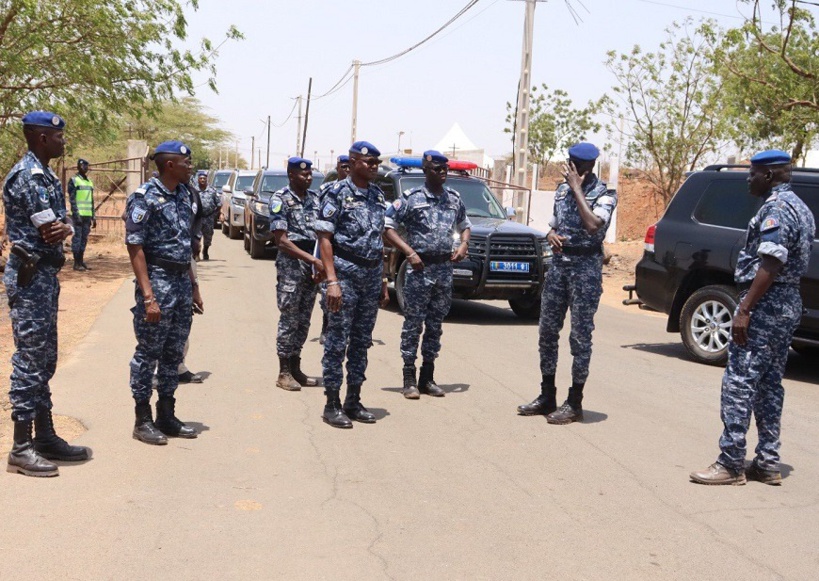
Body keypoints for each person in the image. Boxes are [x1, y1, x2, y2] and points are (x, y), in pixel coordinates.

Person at [690, 150, 815, 486]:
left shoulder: (776, 208)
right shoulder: (801, 208)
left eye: (753, 173)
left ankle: (731, 463)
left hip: (765, 304)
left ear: (771, 175)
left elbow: (771, 262)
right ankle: (768, 462)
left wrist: (744, 309)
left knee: (739, 382)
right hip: (787, 303)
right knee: (770, 384)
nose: (749, 179)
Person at [3, 111, 89, 477]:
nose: (63, 142)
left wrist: (65, 227)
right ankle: (21, 447)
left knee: (45, 359)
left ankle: (45, 436)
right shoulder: (27, 176)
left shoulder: (47, 174)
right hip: (29, 275)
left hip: (45, 276)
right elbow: (50, 226)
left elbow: (63, 224)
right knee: (30, 361)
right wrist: (63, 227)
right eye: (58, 137)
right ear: (40, 137)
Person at [517, 142, 617, 424]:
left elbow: (594, 225)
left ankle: (575, 402)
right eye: (569, 164)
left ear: (589, 167)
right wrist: (551, 234)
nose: (570, 170)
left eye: (577, 167)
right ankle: (547, 394)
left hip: (585, 270)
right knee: (547, 331)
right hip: (559, 267)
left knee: (580, 337)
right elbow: (554, 224)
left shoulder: (605, 193)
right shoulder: (561, 191)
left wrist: (577, 188)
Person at [124, 140, 203, 445]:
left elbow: (186, 246)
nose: (190, 167)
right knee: (148, 353)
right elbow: (135, 247)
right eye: (186, 162)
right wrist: (148, 296)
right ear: (169, 165)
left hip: (181, 281)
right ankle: (142, 420)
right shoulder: (144, 198)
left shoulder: (185, 194)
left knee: (173, 352)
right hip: (156, 281)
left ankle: (166, 415)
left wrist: (194, 286)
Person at [384, 150, 471, 399]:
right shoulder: (411, 198)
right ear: (425, 170)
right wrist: (408, 252)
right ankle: (409, 377)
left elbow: (465, 226)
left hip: (444, 270)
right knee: (413, 324)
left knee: (435, 325)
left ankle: (428, 377)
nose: (442, 172)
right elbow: (388, 226)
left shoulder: (454, 199)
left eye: (445, 168)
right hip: (419, 270)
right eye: (437, 169)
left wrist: (464, 245)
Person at [314, 141, 389, 428]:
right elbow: (325, 240)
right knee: (336, 341)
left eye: (376, 163)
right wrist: (332, 281)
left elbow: (378, 240)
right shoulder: (335, 193)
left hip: (370, 276)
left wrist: (382, 279)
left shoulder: (377, 196)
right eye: (369, 162)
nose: (373, 167)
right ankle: (331, 403)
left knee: (361, 341)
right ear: (354, 161)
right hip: (344, 274)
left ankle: (353, 400)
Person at [270, 157, 325, 391]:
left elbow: (322, 235)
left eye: (310, 174)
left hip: (311, 266)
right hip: (292, 265)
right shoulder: (280, 198)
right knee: (289, 318)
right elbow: (281, 240)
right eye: (303, 174)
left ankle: (295, 367)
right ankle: (283, 372)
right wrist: (311, 259)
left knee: (304, 320)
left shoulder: (315, 199)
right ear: (291, 175)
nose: (308, 177)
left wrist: (317, 263)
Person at [318, 154, 351, 345]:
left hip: (348, 251)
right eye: (344, 167)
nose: (347, 170)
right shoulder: (327, 190)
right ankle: (325, 326)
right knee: (327, 290)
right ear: (338, 168)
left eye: (349, 167)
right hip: (331, 247)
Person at [68, 158, 96, 271]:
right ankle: (76, 263)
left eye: (86, 166)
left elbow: (91, 200)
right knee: (77, 239)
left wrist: (94, 216)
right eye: (82, 166)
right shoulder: (74, 180)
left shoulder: (89, 182)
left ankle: (81, 261)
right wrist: (76, 214)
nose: (84, 168)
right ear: (78, 167)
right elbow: (72, 199)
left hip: (87, 215)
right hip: (78, 215)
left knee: (84, 238)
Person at [195, 172, 221, 261]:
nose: (202, 180)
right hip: (197, 218)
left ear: (207, 180)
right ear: (198, 179)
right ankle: (197, 253)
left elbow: (218, 204)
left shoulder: (212, 190)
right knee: (196, 237)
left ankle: (205, 251)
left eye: (204, 179)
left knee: (208, 237)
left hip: (209, 217)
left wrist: (214, 215)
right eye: (201, 178)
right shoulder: (194, 190)